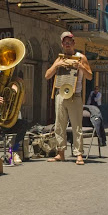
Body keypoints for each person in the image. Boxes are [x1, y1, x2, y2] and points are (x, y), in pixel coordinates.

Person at [45, 31, 92, 165]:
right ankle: (61, 153)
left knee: (77, 126)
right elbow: (47, 76)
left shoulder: (81, 57)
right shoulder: (59, 58)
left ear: (73, 43)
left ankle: (79, 154)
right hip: (61, 95)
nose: (67, 44)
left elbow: (89, 76)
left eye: (69, 41)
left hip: (75, 96)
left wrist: (81, 66)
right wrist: (56, 66)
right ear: (62, 44)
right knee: (59, 125)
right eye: (64, 42)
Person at [0, 70, 30, 165]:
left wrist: (19, 88)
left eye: (0, 73)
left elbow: (23, 101)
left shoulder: (13, 85)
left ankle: (14, 151)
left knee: (24, 125)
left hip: (9, 120)